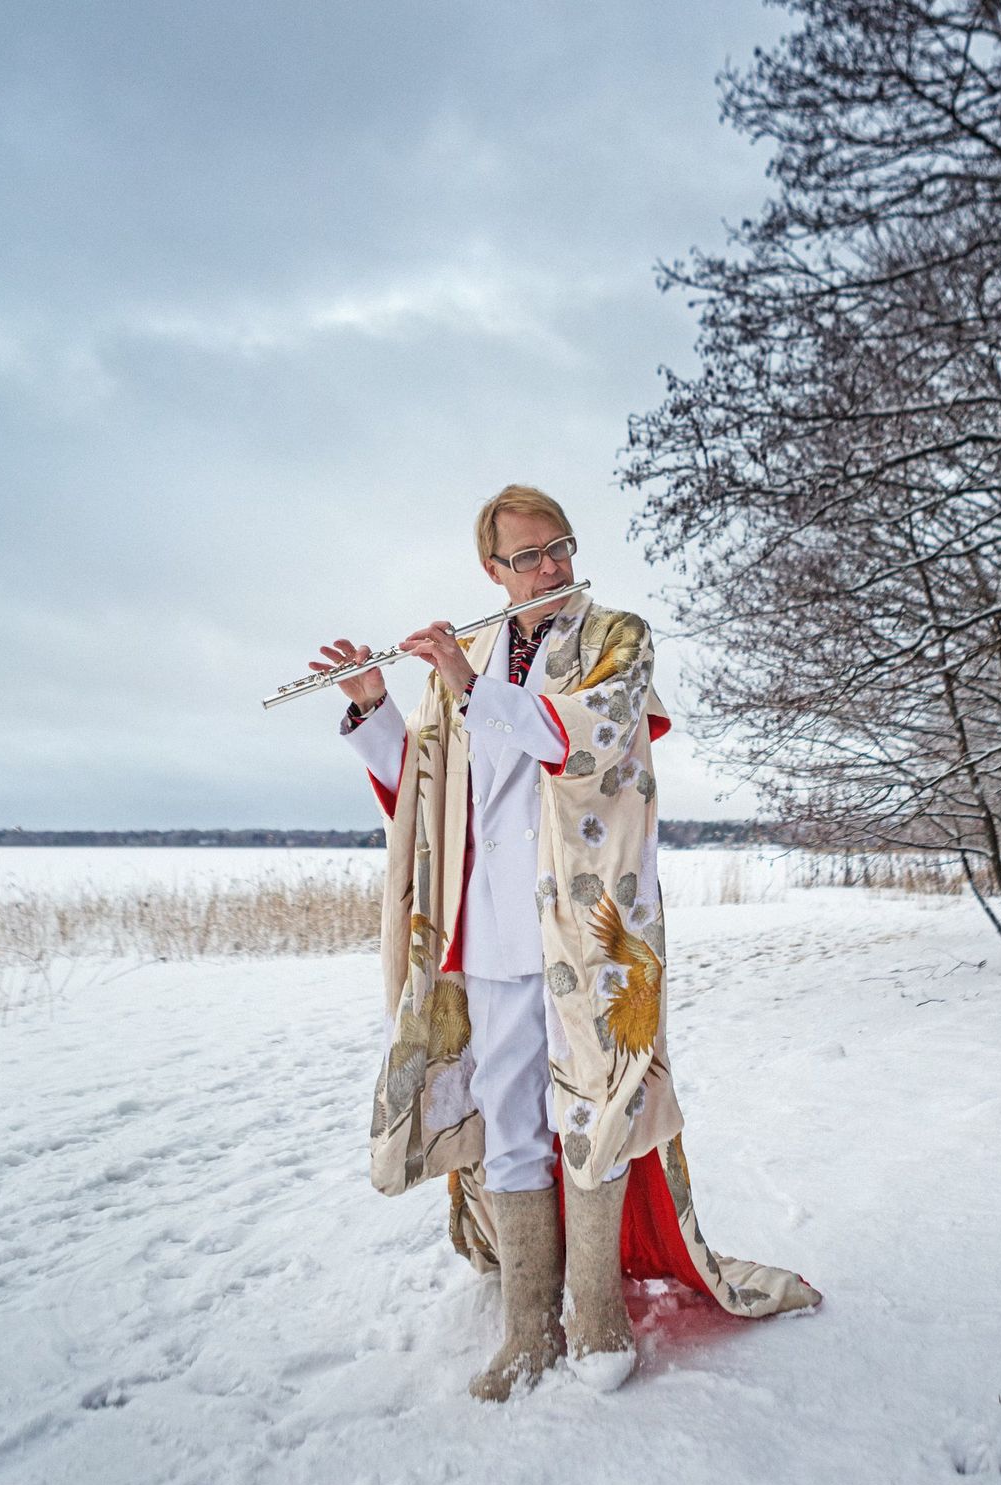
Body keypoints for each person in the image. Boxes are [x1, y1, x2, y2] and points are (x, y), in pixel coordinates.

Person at [311, 484, 820, 1402]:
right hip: (495, 929)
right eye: (529, 556)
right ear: (492, 570)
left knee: (596, 1107)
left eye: (560, 548)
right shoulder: (464, 655)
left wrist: (474, 690)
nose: (551, 567)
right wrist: (372, 706)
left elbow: (589, 742)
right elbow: (426, 795)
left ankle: (597, 1319)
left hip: (589, 929)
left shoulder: (614, 637)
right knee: (511, 1116)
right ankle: (528, 1326)